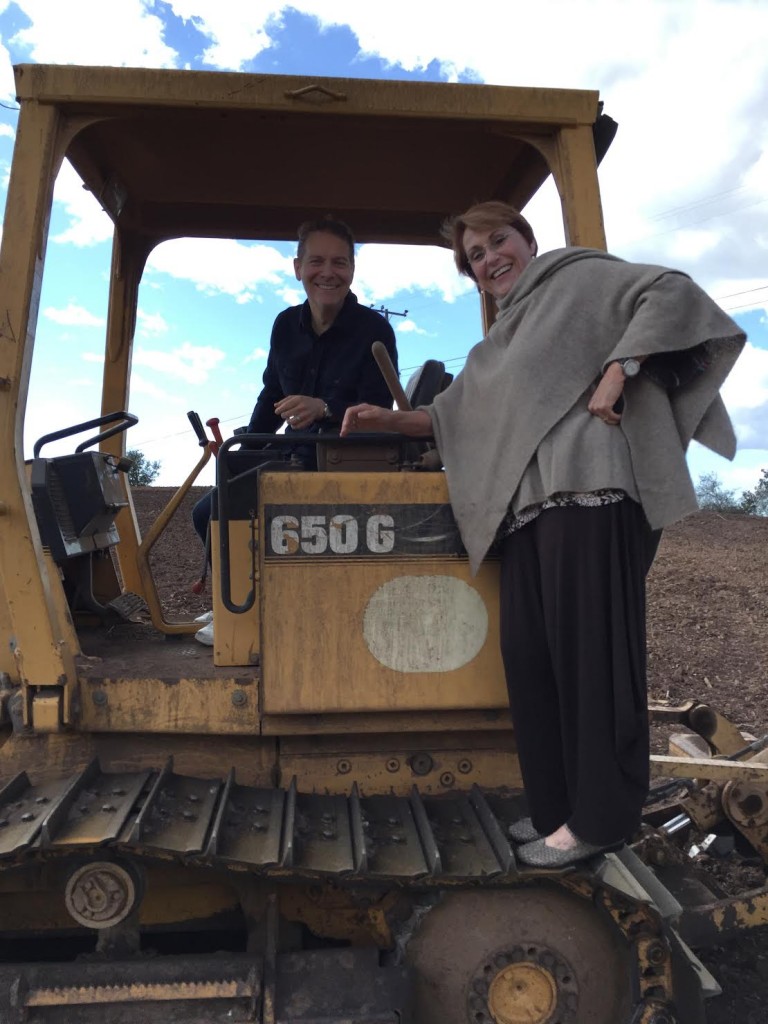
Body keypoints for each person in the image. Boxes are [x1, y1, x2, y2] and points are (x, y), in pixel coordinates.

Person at [341, 200, 745, 869]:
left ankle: (601, 821)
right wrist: (382, 421)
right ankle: (558, 813)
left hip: (592, 493)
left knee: (592, 661)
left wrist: (621, 369)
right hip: (526, 514)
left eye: (499, 241)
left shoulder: (580, 279)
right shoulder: (498, 344)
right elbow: (450, 418)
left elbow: (673, 293)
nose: (491, 258)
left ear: (526, 240)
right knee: (531, 662)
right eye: (476, 256)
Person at [192, 216, 398, 644]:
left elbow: (382, 409)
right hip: (292, 454)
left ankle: (251, 612)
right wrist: (248, 443)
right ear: (298, 267)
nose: (328, 272)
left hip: (347, 461)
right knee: (207, 508)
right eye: (317, 261)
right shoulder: (285, 325)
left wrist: (324, 407)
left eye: (339, 262)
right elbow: (272, 393)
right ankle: (239, 600)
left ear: (352, 270)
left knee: (245, 508)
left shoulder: (374, 330)